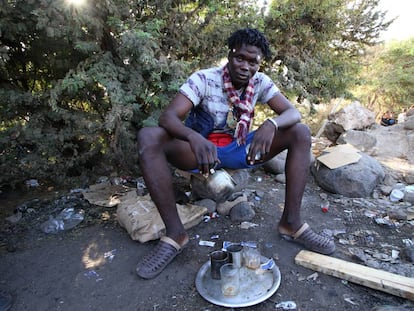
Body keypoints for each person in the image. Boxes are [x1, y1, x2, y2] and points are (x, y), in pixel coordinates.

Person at [136, 28, 335, 279]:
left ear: (259, 64)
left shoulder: (260, 82)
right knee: (148, 136)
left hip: (240, 148)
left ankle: (291, 223)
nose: (245, 66)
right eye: (240, 57)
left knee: (300, 132)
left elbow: (292, 113)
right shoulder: (205, 79)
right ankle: (175, 234)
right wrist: (193, 136)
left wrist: (271, 124)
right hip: (202, 151)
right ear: (230, 55)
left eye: (253, 61)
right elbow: (168, 117)